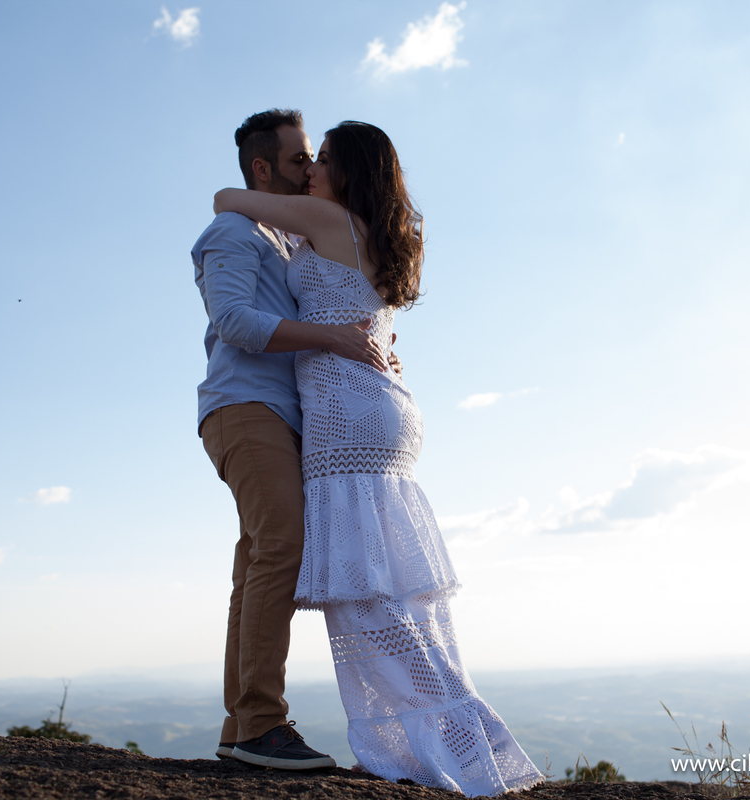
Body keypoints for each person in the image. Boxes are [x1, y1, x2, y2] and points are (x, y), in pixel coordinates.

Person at [213, 121, 544, 796]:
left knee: (367, 600)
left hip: (346, 415)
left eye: (322, 160)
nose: (310, 170)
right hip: (385, 407)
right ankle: (455, 733)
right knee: (393, 594)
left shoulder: (324, 216)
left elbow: (225, 198)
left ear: (350, 173)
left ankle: (442, 740)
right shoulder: (373, 230)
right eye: (304, 159)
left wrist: (277, 202)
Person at [191, 109, 392, 771]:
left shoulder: (285, 240)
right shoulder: (233, 232)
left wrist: (365, 341)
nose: (309, 170)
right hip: (245, 409)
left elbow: (330, 304)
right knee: (279, 547)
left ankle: (240, 724)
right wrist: (335, 338)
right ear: (262, 168)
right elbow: (236, 322)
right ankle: (262, 726)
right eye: (300, 158)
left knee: (257, 560)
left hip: (277, 416)